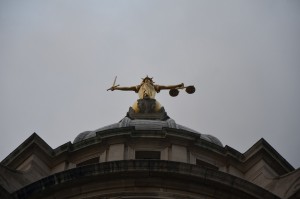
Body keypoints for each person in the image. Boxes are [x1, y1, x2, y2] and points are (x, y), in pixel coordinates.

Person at [108, 76, 184, 112]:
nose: (147, 81)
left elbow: (166, 87)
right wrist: (116, 88)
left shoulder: (155, 86)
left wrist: (177, 85)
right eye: (145, 80)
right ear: (143, 81)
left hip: (152, 102)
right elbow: (127, 88)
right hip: (141, 101)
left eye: (149, 80)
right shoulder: (138, 87)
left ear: (151, 81)